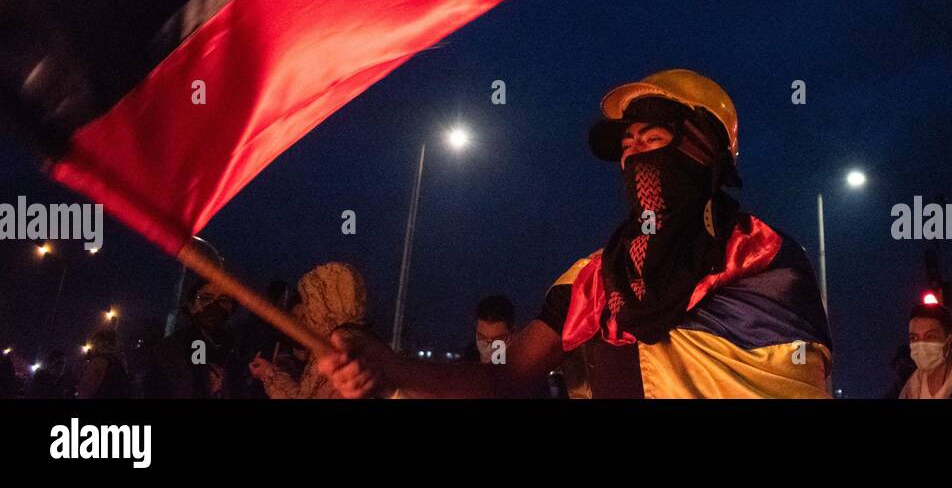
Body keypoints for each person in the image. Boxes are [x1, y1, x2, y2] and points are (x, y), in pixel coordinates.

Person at [321, 69, 832, 398]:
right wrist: (388, 365)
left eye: (654, 140)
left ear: (702, 153)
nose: (635, 158)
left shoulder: (767, 260)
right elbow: (502, 377)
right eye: (628, 148)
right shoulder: (593, 281)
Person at [250, 262, 369, 399]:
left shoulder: (337, 351)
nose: (306, 317)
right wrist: (269, 373)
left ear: (327, 304)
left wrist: (269, 375)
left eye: (311, 303)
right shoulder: (353, 343)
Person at [140, 280, 244, 398]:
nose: (214, 305)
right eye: (206, 298)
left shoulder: (240, 348)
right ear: (192, 306)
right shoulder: (170, 349)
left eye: (224, 299)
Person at [76, 329, 131, 399]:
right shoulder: (119, 363)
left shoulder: (98, 362)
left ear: (101, 344)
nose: (93, 347)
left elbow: (86, 388)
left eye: (94, 343)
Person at [462, 295, 516, 364]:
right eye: (482, 337)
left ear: (512, 334)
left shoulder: (525, 369)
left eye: (497, 339)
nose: (489, 348)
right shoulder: (461, 369)